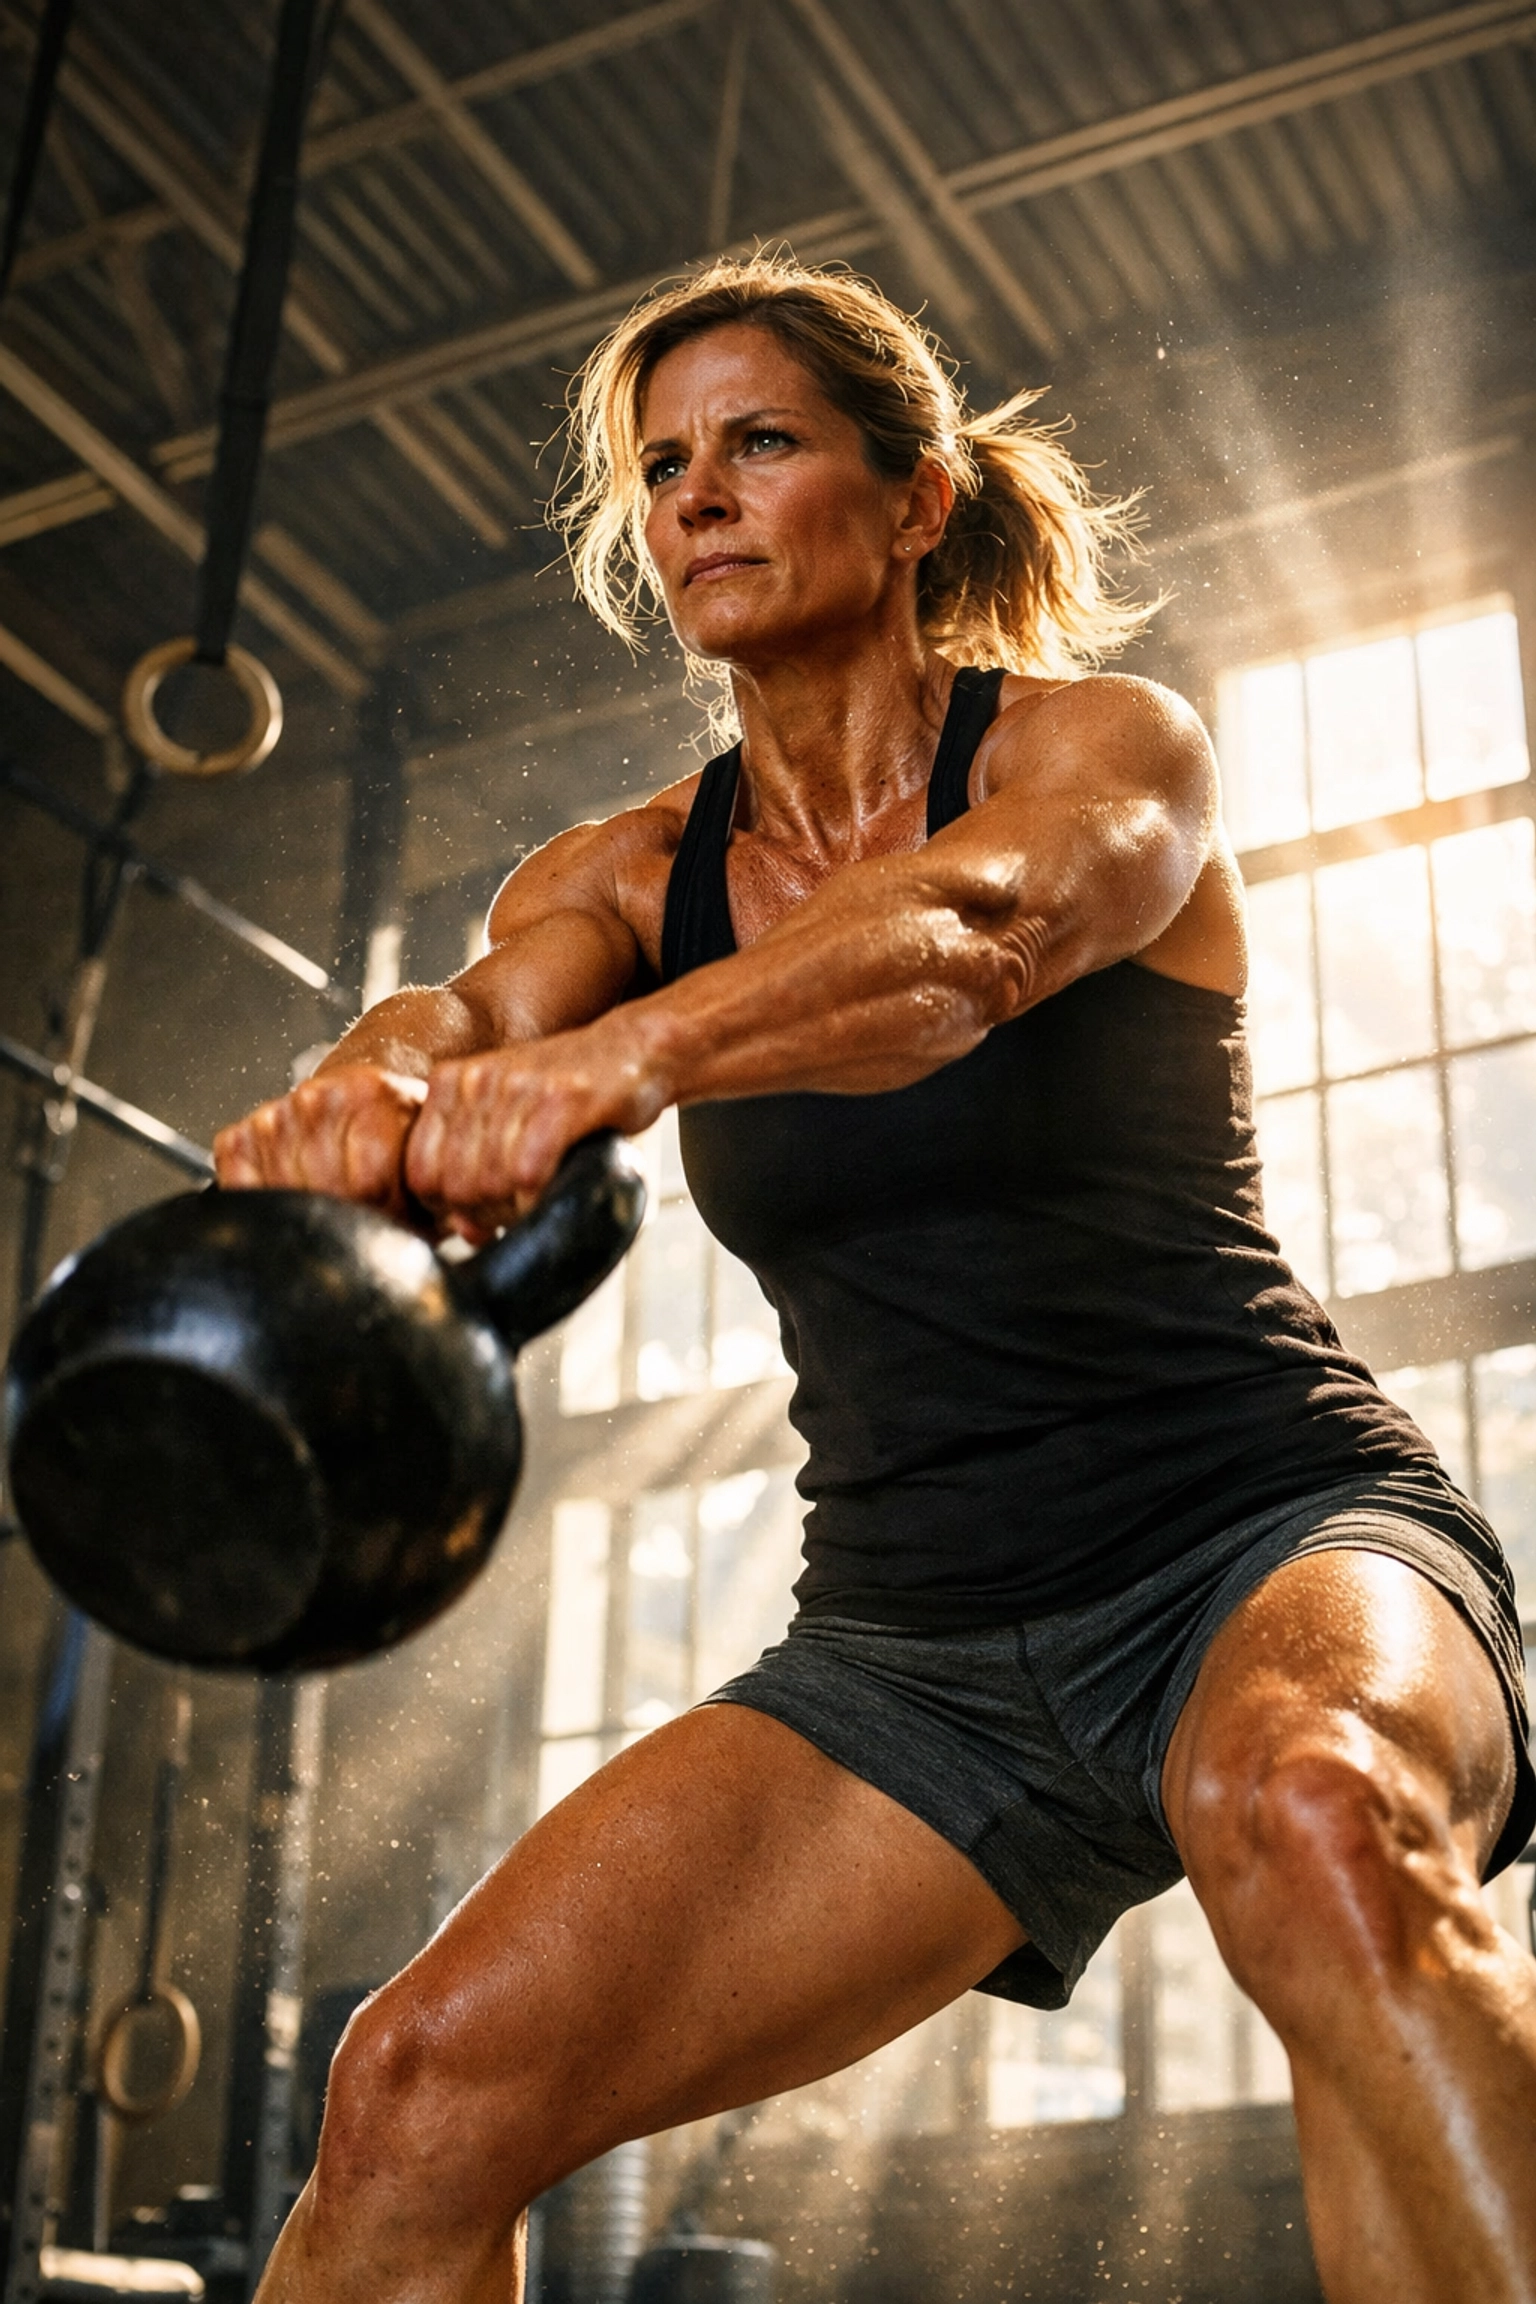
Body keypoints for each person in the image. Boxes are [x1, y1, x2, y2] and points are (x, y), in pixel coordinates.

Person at [215, 255, 1536, 2304]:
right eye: (665, 470)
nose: (699, 499)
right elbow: (465, 1013)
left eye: (760, 443)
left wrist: (622, 1059)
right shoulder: (623, 874)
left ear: (917, 499)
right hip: (914, 1648)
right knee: (416, 2097)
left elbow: (967, 948)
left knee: (1322, 1822)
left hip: (1262, 1531)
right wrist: (363, 1087)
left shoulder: (1097, 746)